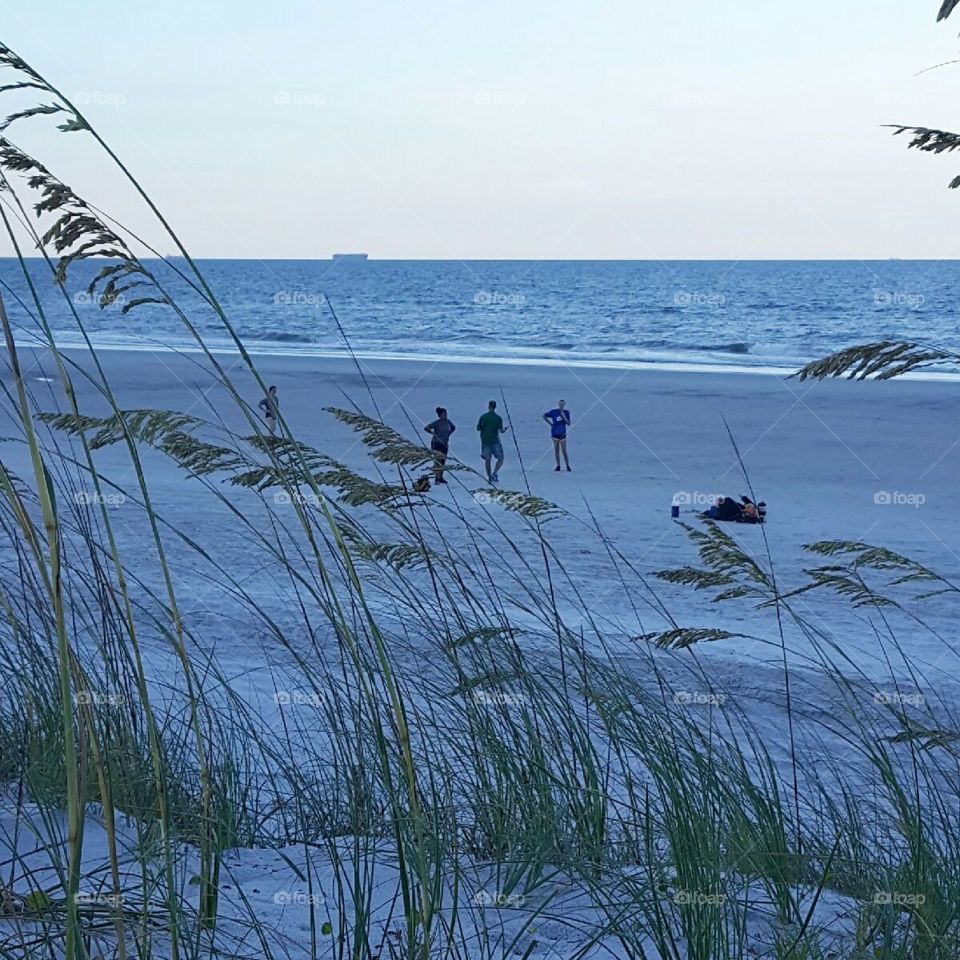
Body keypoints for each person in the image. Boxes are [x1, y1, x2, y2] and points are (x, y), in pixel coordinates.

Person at [477, 400, 509, 483]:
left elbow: (478, 428)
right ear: (495, 407)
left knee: (488, 460)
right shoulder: (498, 418)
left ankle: (489, 477)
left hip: (485, 441)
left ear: (489, 406)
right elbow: (501, 430)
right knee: (501, 458)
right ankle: (495, 473)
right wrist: (505, 429)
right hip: (495, 441)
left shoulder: (483, 417)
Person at [424, 406, 456, 484]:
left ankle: (440, 477)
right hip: (436, 443)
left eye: (446, 414)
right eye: (444, 414)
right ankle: (436, 477)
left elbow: (453, 427)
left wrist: (449, 433)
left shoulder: (448, 422)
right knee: (437, 460)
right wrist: (432, 433)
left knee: (443, 461)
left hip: (444, 443)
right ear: (440, 415)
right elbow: (426, 427)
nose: (445, 415)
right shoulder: (437, 423)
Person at [543, 399, 571, 471]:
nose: (561, 406)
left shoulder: (566, 412)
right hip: (555, 433)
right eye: (560, 404)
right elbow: (544, 416)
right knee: (556, 450)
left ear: (564, 405)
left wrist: (564, 416)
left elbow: (568, 423)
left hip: (562, 434)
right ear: (558, 404)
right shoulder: (554, 412)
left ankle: (567, 465)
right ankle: (558, 465)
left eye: (562, 404)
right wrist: (550, 424)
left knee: (564, 450)